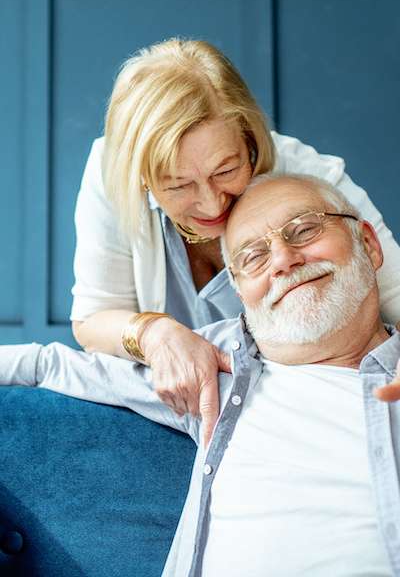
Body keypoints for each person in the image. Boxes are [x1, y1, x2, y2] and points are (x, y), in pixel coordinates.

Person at [2, 173, 400, 576]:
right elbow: (45, 367)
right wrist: (153, 334)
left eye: (304, 229)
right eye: (253, 256)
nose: (283, 259)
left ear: (367, 243)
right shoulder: (214, 366)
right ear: (241, 293)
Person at [71, 38, 400, 444]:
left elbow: (396, 294)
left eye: (226, 170)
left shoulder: (310, 178)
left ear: (249, 140)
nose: (211, 204)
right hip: (177, 415)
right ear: (144, 179)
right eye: (178, 185)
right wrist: (155, 334)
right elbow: (92, 320)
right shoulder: (111, 176)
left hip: (295, 413)